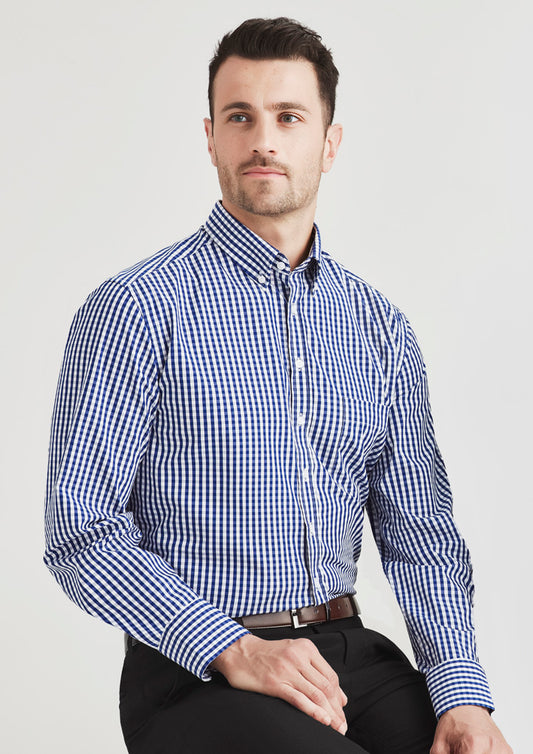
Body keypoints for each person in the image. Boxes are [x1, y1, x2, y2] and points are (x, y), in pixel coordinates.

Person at [44, 17, 512, 754]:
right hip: (195, 669)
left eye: (289, 117)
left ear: (329, 143)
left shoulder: (378, 328)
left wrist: (461, 692)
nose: (263, 139)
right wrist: (230, 646)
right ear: (211, 138)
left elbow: (419, 532)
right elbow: (81, 530)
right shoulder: (135, 309)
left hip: (351, 655)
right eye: (240, 117)